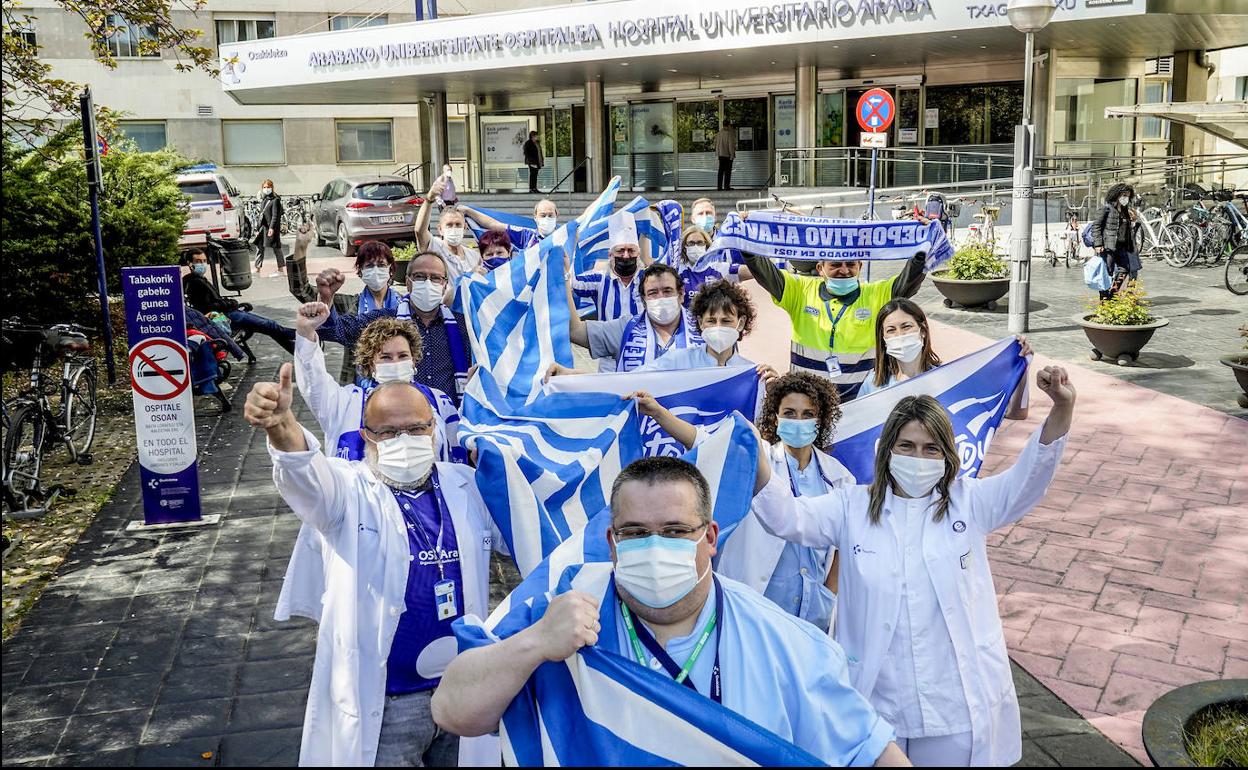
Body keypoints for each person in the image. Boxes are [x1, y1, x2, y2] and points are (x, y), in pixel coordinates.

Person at [431, 455, 910, 767]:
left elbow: (874, 754)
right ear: (612, 543)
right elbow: (453, 711)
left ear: (710, 537)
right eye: (636, 533)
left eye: (675, 530)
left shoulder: (783, 641)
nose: (654, 545)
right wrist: (534, 644)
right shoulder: (561, 604)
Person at [749, 367, 1077, 766]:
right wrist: (754, 454)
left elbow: (1030, 479)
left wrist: (1062, 406)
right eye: (905, 446)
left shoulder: (969, 503)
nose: (917, 458)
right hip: (877, 698)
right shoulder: (851, 505)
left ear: (946, 454)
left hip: (951, 704)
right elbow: (786, 518)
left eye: (930, 448)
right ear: (886, 451)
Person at [245, 371, 504, 766]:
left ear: (434, 429)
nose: (405, 440)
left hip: (464, 690)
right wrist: (283, 428)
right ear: (366, 436)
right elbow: (307, 476)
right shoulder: (348, 491)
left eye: (417, 428)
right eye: (389, 432)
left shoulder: (465, 485)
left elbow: (520, 529)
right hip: (389, 705)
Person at [720, 372, 852, 634]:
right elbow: (699, 440)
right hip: (762, 603)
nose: (798, 421)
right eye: (789, 413)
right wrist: (659, 413)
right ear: (776, 417)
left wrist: (828, 594)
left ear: (821, 419)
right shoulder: (759, 459)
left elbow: (844, 545)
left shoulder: (839, 475)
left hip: (813, 610)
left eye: (807, 414)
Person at [743, 246, 928, 401]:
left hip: (859, 402)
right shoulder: (800, 290)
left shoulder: (876, 294)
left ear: (860, 266)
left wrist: (922, 251)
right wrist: (748, 246)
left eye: (851, 264)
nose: (844, 270)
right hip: (807, 402)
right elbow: (766, 273)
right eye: (835, 264)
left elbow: (909, 280)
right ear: (820, 268)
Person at [316, 250, 473, 405]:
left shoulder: (462, 326)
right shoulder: (384, 321)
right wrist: (326, 299)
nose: (427, 283)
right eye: (420, 276)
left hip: (449, 418)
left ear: (444, 285)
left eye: (435, 278)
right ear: (407, 282)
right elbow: (334, 331)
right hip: (395, 417)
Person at [857, 299, 1033, 420]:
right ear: (883, 338)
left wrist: (1022, 366)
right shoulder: (873, 385)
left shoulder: (950, 380)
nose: (900, 335)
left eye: (906, 326)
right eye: (891, 330)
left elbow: (1016, 413)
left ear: (923, 330)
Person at [565, 263, 701, 373]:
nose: (661, 297)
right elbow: (575, 331)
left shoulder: (704, 326)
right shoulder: (626, 328)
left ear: (681, 294)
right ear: (643, 300)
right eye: (653, 293)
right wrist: (563, 277)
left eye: (667, 290)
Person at [182, 249, 295, 354]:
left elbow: (214, 301)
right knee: (271, 325)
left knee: (271, 329)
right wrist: (232, 303)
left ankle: (298, 352)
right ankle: (304, 336)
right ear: (190, 263)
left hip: (227, 313)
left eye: (204, 261)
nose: (202, 264)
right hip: (226, 317)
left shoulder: (197, 279)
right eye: (198, 261)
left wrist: (229, 303)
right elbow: (208, 307)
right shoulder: (194, 283)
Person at [570, 211, 647, 323]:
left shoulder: (648, 278)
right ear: (610, 255)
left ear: (638, 254)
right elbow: (571, 283)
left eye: (631, 250)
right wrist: (572, 244)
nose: (626, 255)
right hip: (608, 339)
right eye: (620, 250)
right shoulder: (599, 280)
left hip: (642, 339)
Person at [672, 226, 754, 308]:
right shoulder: (677, 270)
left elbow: (752, 271)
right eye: (691, 243)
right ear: (684, 248)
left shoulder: (719, 268)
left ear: (707, 246)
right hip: (687, 319)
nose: (695, 246)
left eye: (700, 243)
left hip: (713, 319)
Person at [416, 178, 480, 280]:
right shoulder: (434, 247)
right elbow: (420, 231)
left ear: (465, 228)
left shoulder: (474, 256)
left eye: (458, 224)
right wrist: (429, 200)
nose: (454, 228)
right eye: (449, 225)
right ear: (440, 229)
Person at [1090, 183, 1141, 301]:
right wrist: (1098, 244)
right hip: (1108, 246)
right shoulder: (1106, 208)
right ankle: (1104, 297)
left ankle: (1113, 293)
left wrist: (1133, 220)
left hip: (1123, 246)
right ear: (1116, 195)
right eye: (1123, 195)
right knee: (1107, 272)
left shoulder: (1126, 211)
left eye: (1128, 196)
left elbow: (1128, 230)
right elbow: (1096, 226)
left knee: (1125, 269)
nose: (1125, 198)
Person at [460, 198, 559, 252]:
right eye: (543, 215)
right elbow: (494, 225)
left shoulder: (567, 235)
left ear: (557, 215)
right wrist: (468, 211)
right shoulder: (525, 235)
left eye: (550, 215)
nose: (547, 218)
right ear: (535, 217)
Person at [253, 179, 285, 276]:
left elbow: (275, 215)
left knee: (276, 247)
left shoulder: (275, 200)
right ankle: (257, 269)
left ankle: (280, 270)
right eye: (264, 187)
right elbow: (261, 215)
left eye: (268, 187)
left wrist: (271, 228)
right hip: (263, 227)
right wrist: (258, 229)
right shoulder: (264, 199)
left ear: (272, 188)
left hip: (272, 227)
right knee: (259, 246)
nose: (266, 189)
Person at [715, 121, 737, 191]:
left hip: (720, 155)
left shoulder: (719, 133)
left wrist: (718, 153)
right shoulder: (729, 134)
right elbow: (730, 145)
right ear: (728, 125)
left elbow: (716, 144)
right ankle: (726, 186)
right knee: (728, 172)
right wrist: (732, 155)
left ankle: (719, 187)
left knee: (720, 171)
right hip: (727, 155)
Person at [523, 130, 544, 194]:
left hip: (537, 161)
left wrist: (542, 160)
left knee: (535, 175)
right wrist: (532, 161)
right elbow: (526, 153)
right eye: (536, 136)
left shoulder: (537, 143)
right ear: (532, 136)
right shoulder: (528, 143)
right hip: (532, 162)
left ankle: (534, 188)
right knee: (532, 175)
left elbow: (539, 152)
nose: (537, 137)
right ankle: (531, 188)